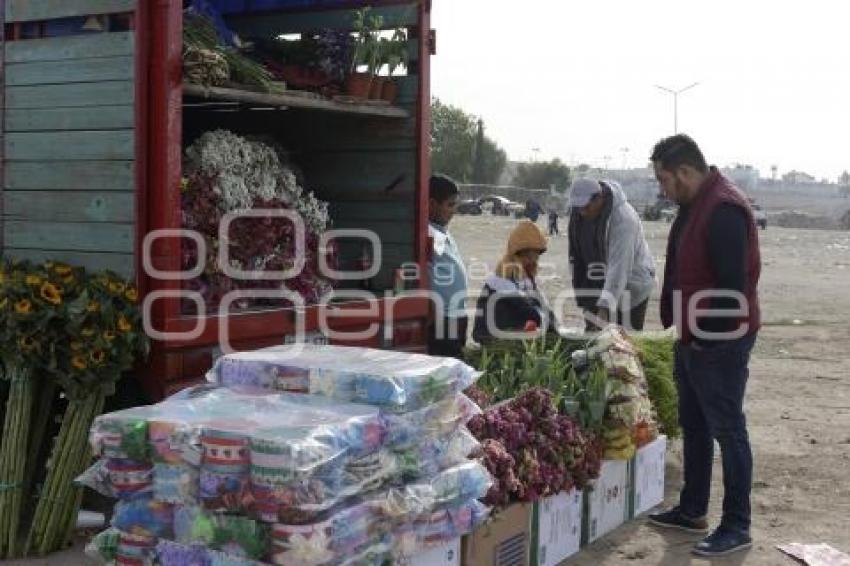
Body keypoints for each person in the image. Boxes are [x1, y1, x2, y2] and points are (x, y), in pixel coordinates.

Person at [646, 134, 761, 557]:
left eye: (664, 179)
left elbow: (734, 289)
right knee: (694, 425)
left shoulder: (724, 210)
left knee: (728, 430)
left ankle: (737, 525)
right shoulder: (695, 204)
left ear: (686, 172)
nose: (661, 188)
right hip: (693, 336)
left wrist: (703, 338)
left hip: (721, 340)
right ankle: (693, 509)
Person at [567, 178, 656, 332]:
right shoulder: (578, 215)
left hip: (632, 284)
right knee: (593, 339)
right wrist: (584, 296)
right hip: (596, 281)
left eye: (586, 207)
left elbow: (619, 268)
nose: (582, 212)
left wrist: (604, 308)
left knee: (625, 340)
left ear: (599, 198)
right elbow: (576, 255)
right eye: (578, 207)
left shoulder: (623, 220)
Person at [472, 220, 557, 343]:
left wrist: (552, 320)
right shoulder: (502, 279)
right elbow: (525, 308)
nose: (532, 261)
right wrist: (549, 323)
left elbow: (540, 302)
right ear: (517, 255)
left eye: (536, 257)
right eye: (528, 257)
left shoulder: (527, 277)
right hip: (493, 338)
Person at [427, 174, 469, 358]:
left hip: (457, 313)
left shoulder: (442, 231)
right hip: (443, 316)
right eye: (450, 205)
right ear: (431, 204)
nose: (453, 211)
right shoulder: (427, 232)